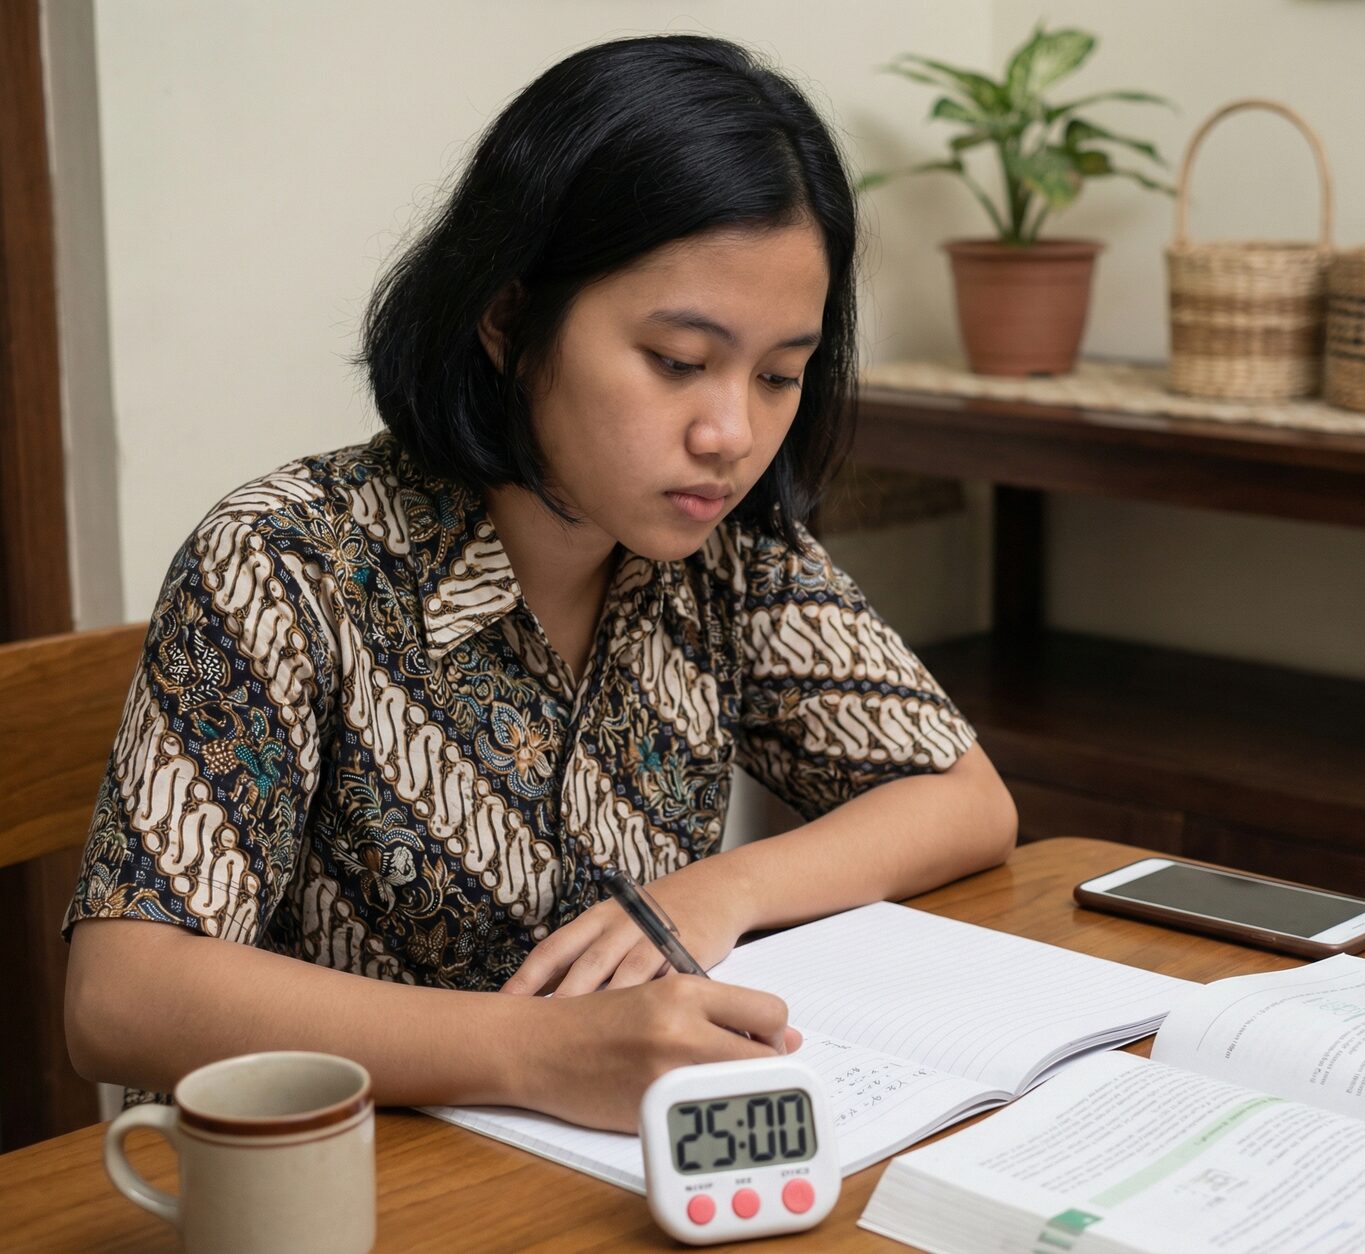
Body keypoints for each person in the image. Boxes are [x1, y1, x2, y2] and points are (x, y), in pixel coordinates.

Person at [61, 34, 1016, 1132]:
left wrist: (720, 890)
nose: (731, 432)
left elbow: (966, 799)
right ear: (511, 318)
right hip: (326, 1185)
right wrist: (537, 1051)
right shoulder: (286, 563)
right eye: (676, 360)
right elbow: (120, 993)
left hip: (585, 1181)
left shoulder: (729, 556)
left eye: (779, 375)